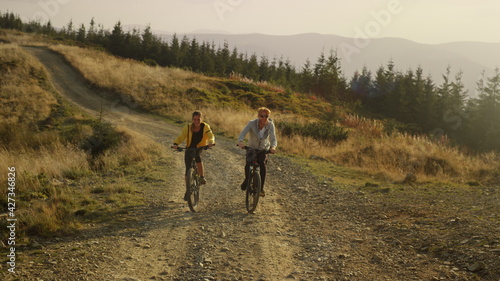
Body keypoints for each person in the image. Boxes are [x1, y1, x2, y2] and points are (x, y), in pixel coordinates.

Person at [173, 111, 215, 201]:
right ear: (192, 119)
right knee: (188, 169)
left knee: (198, 158)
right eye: (195, 119)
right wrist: (176, 143)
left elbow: (210, 134)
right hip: (189, 148)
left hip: (199, 147)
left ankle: (202, 177)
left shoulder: (205, 126)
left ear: (201, 119)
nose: (196, 121)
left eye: (198, 119)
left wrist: (211, 142)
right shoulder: (188, 127)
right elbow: (181, 136)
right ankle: (188, 190)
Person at [237, 107, 277, 197]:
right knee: (248, 164)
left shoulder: (270, 125)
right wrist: (240, 142)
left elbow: (273, 138)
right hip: (252, 147)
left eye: (266, 116)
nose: (264, 118)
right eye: (262, 116)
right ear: (258, 116)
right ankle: (247, 180)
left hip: (263, 148)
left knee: (262, 165)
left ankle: (261, 188)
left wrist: (273, 147)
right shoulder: (252, 123)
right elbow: (243, 133)